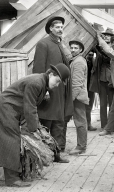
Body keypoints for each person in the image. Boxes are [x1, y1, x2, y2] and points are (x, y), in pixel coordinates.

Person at [0, 63, 70, 187]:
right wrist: (34, 130)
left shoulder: (42, 82)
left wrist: (34, 128)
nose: (57, 85)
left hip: (13, 109)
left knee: (14, 140)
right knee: (11, 140)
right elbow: (30, 107)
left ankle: (17, 174)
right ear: (51, 74)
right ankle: (12, 180)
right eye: (57, 81)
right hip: (5, 108)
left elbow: (30, 107)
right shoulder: (36, 83)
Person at [32, 16, 73, 162]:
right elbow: (38, 69)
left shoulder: (60, 44)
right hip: (50, 90)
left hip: (60, 90)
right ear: (50, 28)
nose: (60, 29)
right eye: (57, 27)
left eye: (62, 27)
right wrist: (44, 90)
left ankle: (56, 154)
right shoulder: (43, 44)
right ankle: (42, 155)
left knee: (59, 121)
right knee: (46, 122)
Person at [68, 40, 89, 155]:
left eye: (76, 48)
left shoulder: (79, 62)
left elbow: (77, 83)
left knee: (80, 122)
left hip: (78, 97)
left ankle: (81, 146)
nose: (73, 50)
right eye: (71, 47)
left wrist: (71, 99)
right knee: (79, 121)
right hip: (77, 96)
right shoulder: (75, 60)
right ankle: (81, 145)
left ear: (81, 50)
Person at [85, 50, 97, 131]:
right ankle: (87, 124)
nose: (90, 56)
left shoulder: (93, 61)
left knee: (89, 107)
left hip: (90, 87)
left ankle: (88, 124)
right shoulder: (85, 62)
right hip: (85, 87)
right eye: (89, 54)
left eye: (92, 55)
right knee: (86, 107)